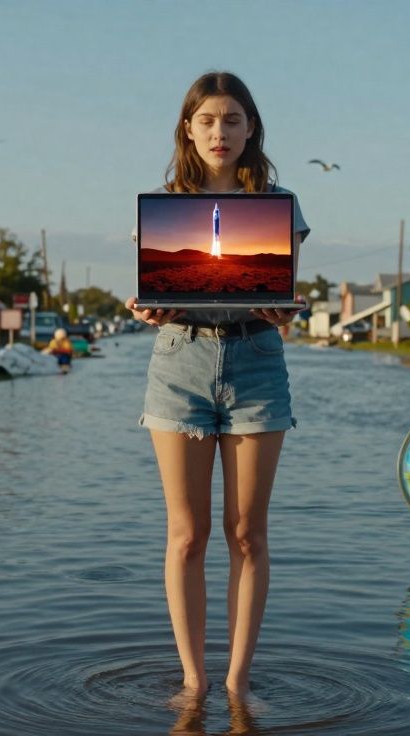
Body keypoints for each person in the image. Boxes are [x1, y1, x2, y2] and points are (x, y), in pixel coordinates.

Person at [125, 71, 309, 701]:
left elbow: (280, 287)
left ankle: (236, 682)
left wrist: (289, 309)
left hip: (257, 362)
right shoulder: (162, 205)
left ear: (250, 127)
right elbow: (159, 285)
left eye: (232, 120)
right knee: (186, 534)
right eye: (207, 120)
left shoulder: (282, 204)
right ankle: (193, 679)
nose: (219, 132)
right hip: (179, 364)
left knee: (247, 533)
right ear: (188, 128)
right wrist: (149, 308)